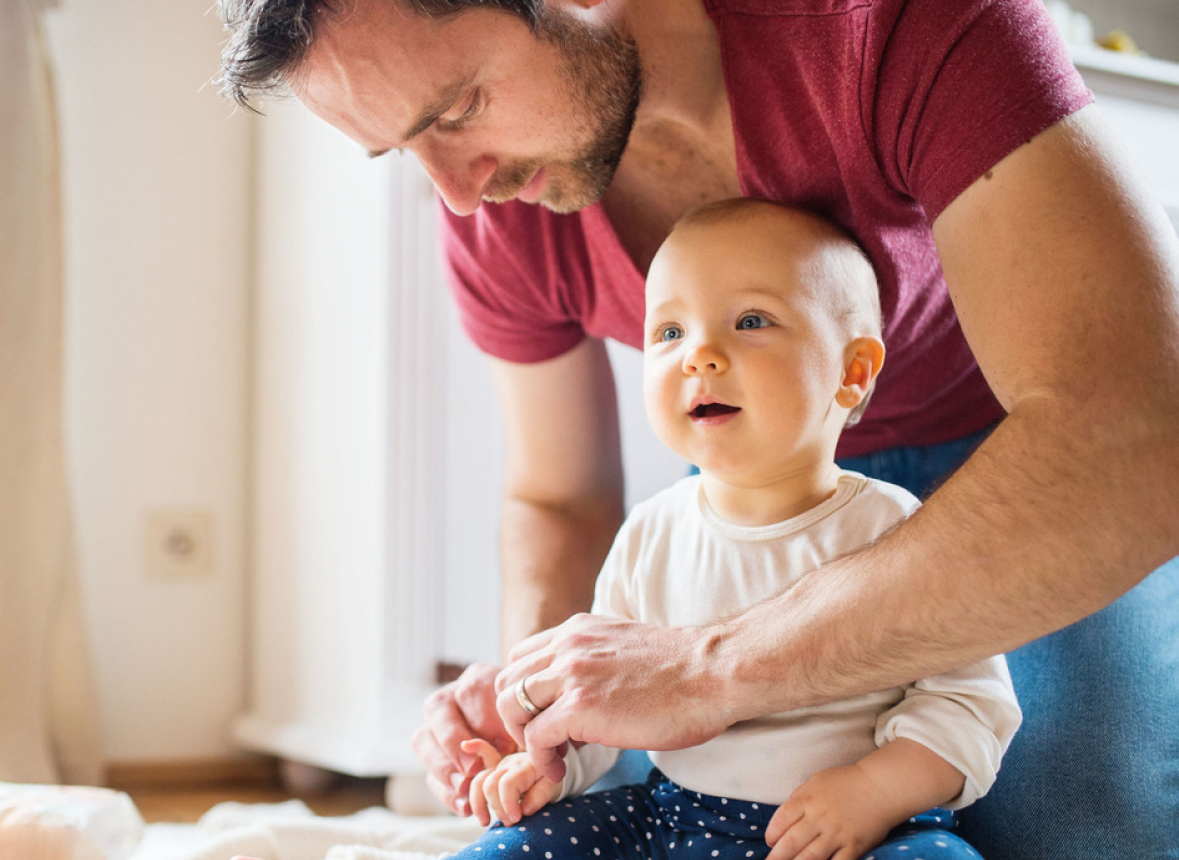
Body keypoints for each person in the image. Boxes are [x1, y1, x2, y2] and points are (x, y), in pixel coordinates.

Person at [214, 0, 1179, 855]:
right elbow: (558, 495)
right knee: (628, 792)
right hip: (752, 491)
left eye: (458, 108)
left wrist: (711, 668)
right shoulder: (493, 209)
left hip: (1022, 469)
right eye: (404, 149)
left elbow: (1136, 438)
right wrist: (537, 698)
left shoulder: (896, 25)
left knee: (1084, 825)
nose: (462, 196)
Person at [445, 197, 1021, 860]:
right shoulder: (651, 533)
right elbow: (601, 701)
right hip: (671, 821)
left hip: (857, 835)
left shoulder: (893, 530)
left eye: (750, 321)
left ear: (853, 371)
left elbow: (969, 703)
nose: (700, 356)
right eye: (668, 333)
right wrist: (548, 766)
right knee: (510, 847)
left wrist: (873, 793)